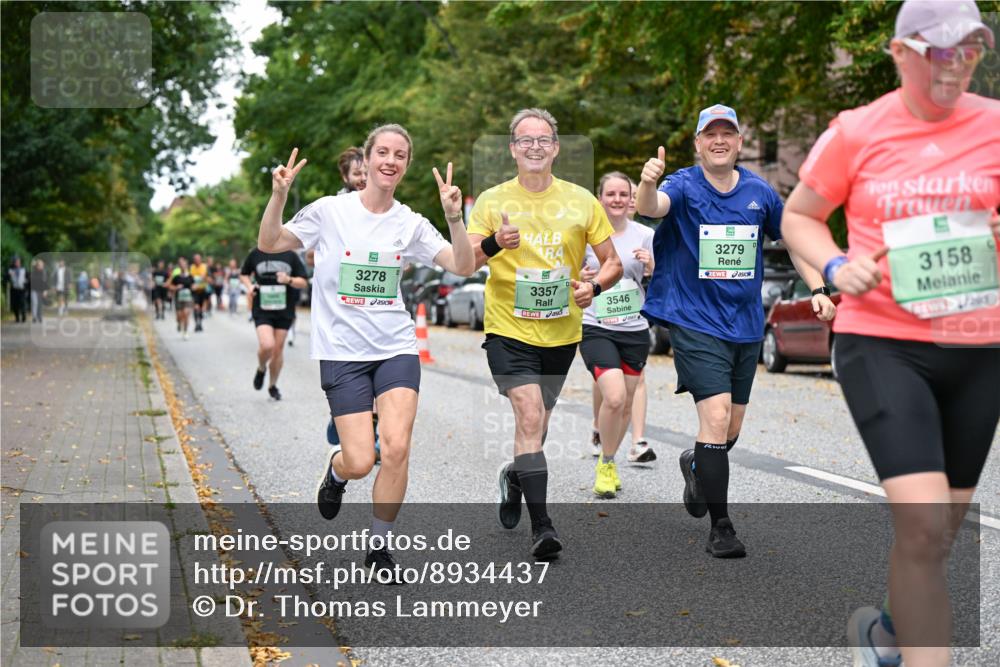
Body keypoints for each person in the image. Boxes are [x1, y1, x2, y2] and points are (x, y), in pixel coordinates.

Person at [781, 2, 998, 664]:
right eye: (940, 50)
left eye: (970, 49)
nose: (956, 63)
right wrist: (838, 266)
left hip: (979, 346)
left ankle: (886, 636)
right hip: (882, 340)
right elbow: (801, 217)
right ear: (900, 51)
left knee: (937, 532)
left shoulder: (995, 126)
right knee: (925, 522)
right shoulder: (856, 130)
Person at [256, 125, 474, 579]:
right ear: (368, 159)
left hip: (395, 347)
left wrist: (455, 218)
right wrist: (278, 195)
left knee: (396, 447)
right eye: (382, 152)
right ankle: (337, 474)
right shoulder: (330, 212)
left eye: (399, 155)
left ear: (406, 165)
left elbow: (462, 265)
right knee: (361, 460)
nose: (390, 161)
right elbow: (270, 243)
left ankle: (379, 548)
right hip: (342, 352)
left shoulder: (410, 222)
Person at [636, 103, 836, 559]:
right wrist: (647, 182)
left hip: (744, 325)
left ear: (741, 142)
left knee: (728, 430)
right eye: (711, 134)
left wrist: (819, 286)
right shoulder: (683, 185)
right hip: (693, 320)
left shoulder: (758, 192)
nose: (719, 141)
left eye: (728, 134)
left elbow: (794, 237)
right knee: (718, 416)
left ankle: (696, 464)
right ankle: (721, 527)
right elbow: (653, 207)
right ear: (699, 143)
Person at [467, 108, 622, 559]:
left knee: (538, 427)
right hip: (508, 328)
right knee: (530, 417)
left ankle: (517, 476)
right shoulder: (494, 200)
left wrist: (593, 286)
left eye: (543, 139)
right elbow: (467, 259)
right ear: (513, 149)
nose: (535, 146)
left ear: (555, 147)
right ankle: (543, 528)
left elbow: (611, 261)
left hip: (561, 333)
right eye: (525, 139)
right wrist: (496, 242)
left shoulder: (581, 201)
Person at [578, 172, 655, 498]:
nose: (617, 199)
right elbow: (569, 275)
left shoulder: (645, 235)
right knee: (614, 396)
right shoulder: (586, 235)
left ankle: (609, 459)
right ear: (600, 198)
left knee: (624, 407)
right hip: (596, 325)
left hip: (634, 328)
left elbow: (660, 280)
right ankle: (606, 458)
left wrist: (652, 266)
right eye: (611, 193)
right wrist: (580, 275)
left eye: (623, 194)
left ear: (631, 199)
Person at [240, 246, 309, 400]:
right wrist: (250, 286)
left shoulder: (291, 256)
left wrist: (289, 280)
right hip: (262, 307)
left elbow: (303, 282)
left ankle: (272, 385)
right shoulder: (256, 253)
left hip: (284, 309)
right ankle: (261, 368)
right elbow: (243, 274)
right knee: (267, 345)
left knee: (278, 350)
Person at [169, 257, 195, 339]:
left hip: (188, 298)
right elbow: (170, 286)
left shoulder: (190, 277)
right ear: (180, 267)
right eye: (181, 265)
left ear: (186, 266)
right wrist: (176, 287)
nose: (183, 267)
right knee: (179, 316)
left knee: (186, 314)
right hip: (178, 298)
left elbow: (193, 285)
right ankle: (179, 323)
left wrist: (194, 287)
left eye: (184, 265)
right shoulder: (176, 277)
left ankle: (185, 332)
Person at [189, 253, 209, 331]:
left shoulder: (204, 267)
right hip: (194, 291)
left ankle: (200, 322)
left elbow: (206, 277)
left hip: (202, 289)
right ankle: (197, 323)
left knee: (201, 308)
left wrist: (204, 278)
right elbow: (190, 278)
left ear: (200, 259)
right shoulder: (191, 267)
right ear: (194, 260)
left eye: (198, 259)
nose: (197, 260)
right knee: (196, 307)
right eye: (195, 259)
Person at [6, 257, 27, 323]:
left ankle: (23, 316)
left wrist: (26, 283)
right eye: (16, 262)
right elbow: (6, 279)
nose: (17, 263)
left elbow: (28, 277)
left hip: (22, 289)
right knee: (15, 304)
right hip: (14, 289)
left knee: (22, 303)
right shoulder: (10, 270)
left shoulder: (23, 269)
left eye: (18, 262)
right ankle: (17, 317)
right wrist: (8, 275)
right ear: (14, 263)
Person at [30, 258, 47, 323]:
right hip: (34, 289)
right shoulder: (33, 271)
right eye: (40, 265)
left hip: (41, 290)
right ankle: (34, 317)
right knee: (35, 303)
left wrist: (45, 291)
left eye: (42, 265)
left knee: (40, 304)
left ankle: (39, 316)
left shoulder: (44, 272)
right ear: (37, 266)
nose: (41, 266)